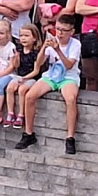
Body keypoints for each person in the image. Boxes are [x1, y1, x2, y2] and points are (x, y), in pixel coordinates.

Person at [15, 13, 81, 154]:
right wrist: (44, 48)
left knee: (70, 99)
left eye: (64, 30)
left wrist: (57, 50)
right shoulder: (51, 40)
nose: (60, 33)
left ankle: (70, 137)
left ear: (71, 32)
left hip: (68, 76)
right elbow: (38, 64)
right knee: (30, 96)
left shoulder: (75, 44)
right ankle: (28, 133)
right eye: (57, 29)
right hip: (51, 75)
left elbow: (69, 65)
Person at [3, 25, 42, 128]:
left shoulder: (36, 53)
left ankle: (21, 114)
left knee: (22, 90)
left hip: (32, 77)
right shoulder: (19, 50)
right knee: (10, 88)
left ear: (34, 38)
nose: (23, 38)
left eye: (26, 36)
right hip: (19, 75)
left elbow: (36, 70)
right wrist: (16, 58)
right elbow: (16, 66)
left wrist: (25, 78)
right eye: (21, 36)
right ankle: (10, 113)